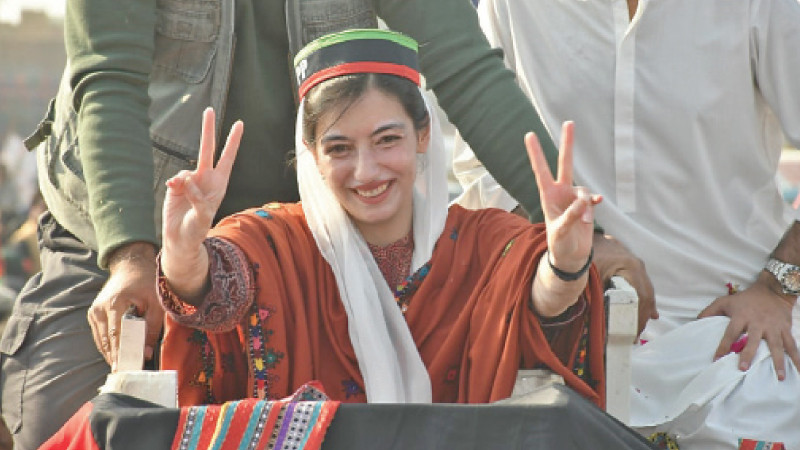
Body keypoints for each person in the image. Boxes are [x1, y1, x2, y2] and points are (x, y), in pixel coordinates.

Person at [0, 0, 649, 447]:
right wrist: (134, 254)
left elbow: (463, 64)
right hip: (131, 224)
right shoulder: (133, 240)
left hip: (309, 231)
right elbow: (106, 78)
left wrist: (583, 234)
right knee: (60, 420)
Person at [159, 29, 606, 407]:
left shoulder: (484, 241)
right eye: (339, 149)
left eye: (386, 140)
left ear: (424, 134)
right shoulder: (276, 239)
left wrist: (566, 263)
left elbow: (544, 305)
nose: (366, 171)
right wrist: (182, 253)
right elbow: (212, 286)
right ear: (311, 155)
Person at [452, 0, 800, 447]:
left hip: (743, 333)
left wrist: (779, 285)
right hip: (565, 326)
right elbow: (479, 166)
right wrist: (572, 248)